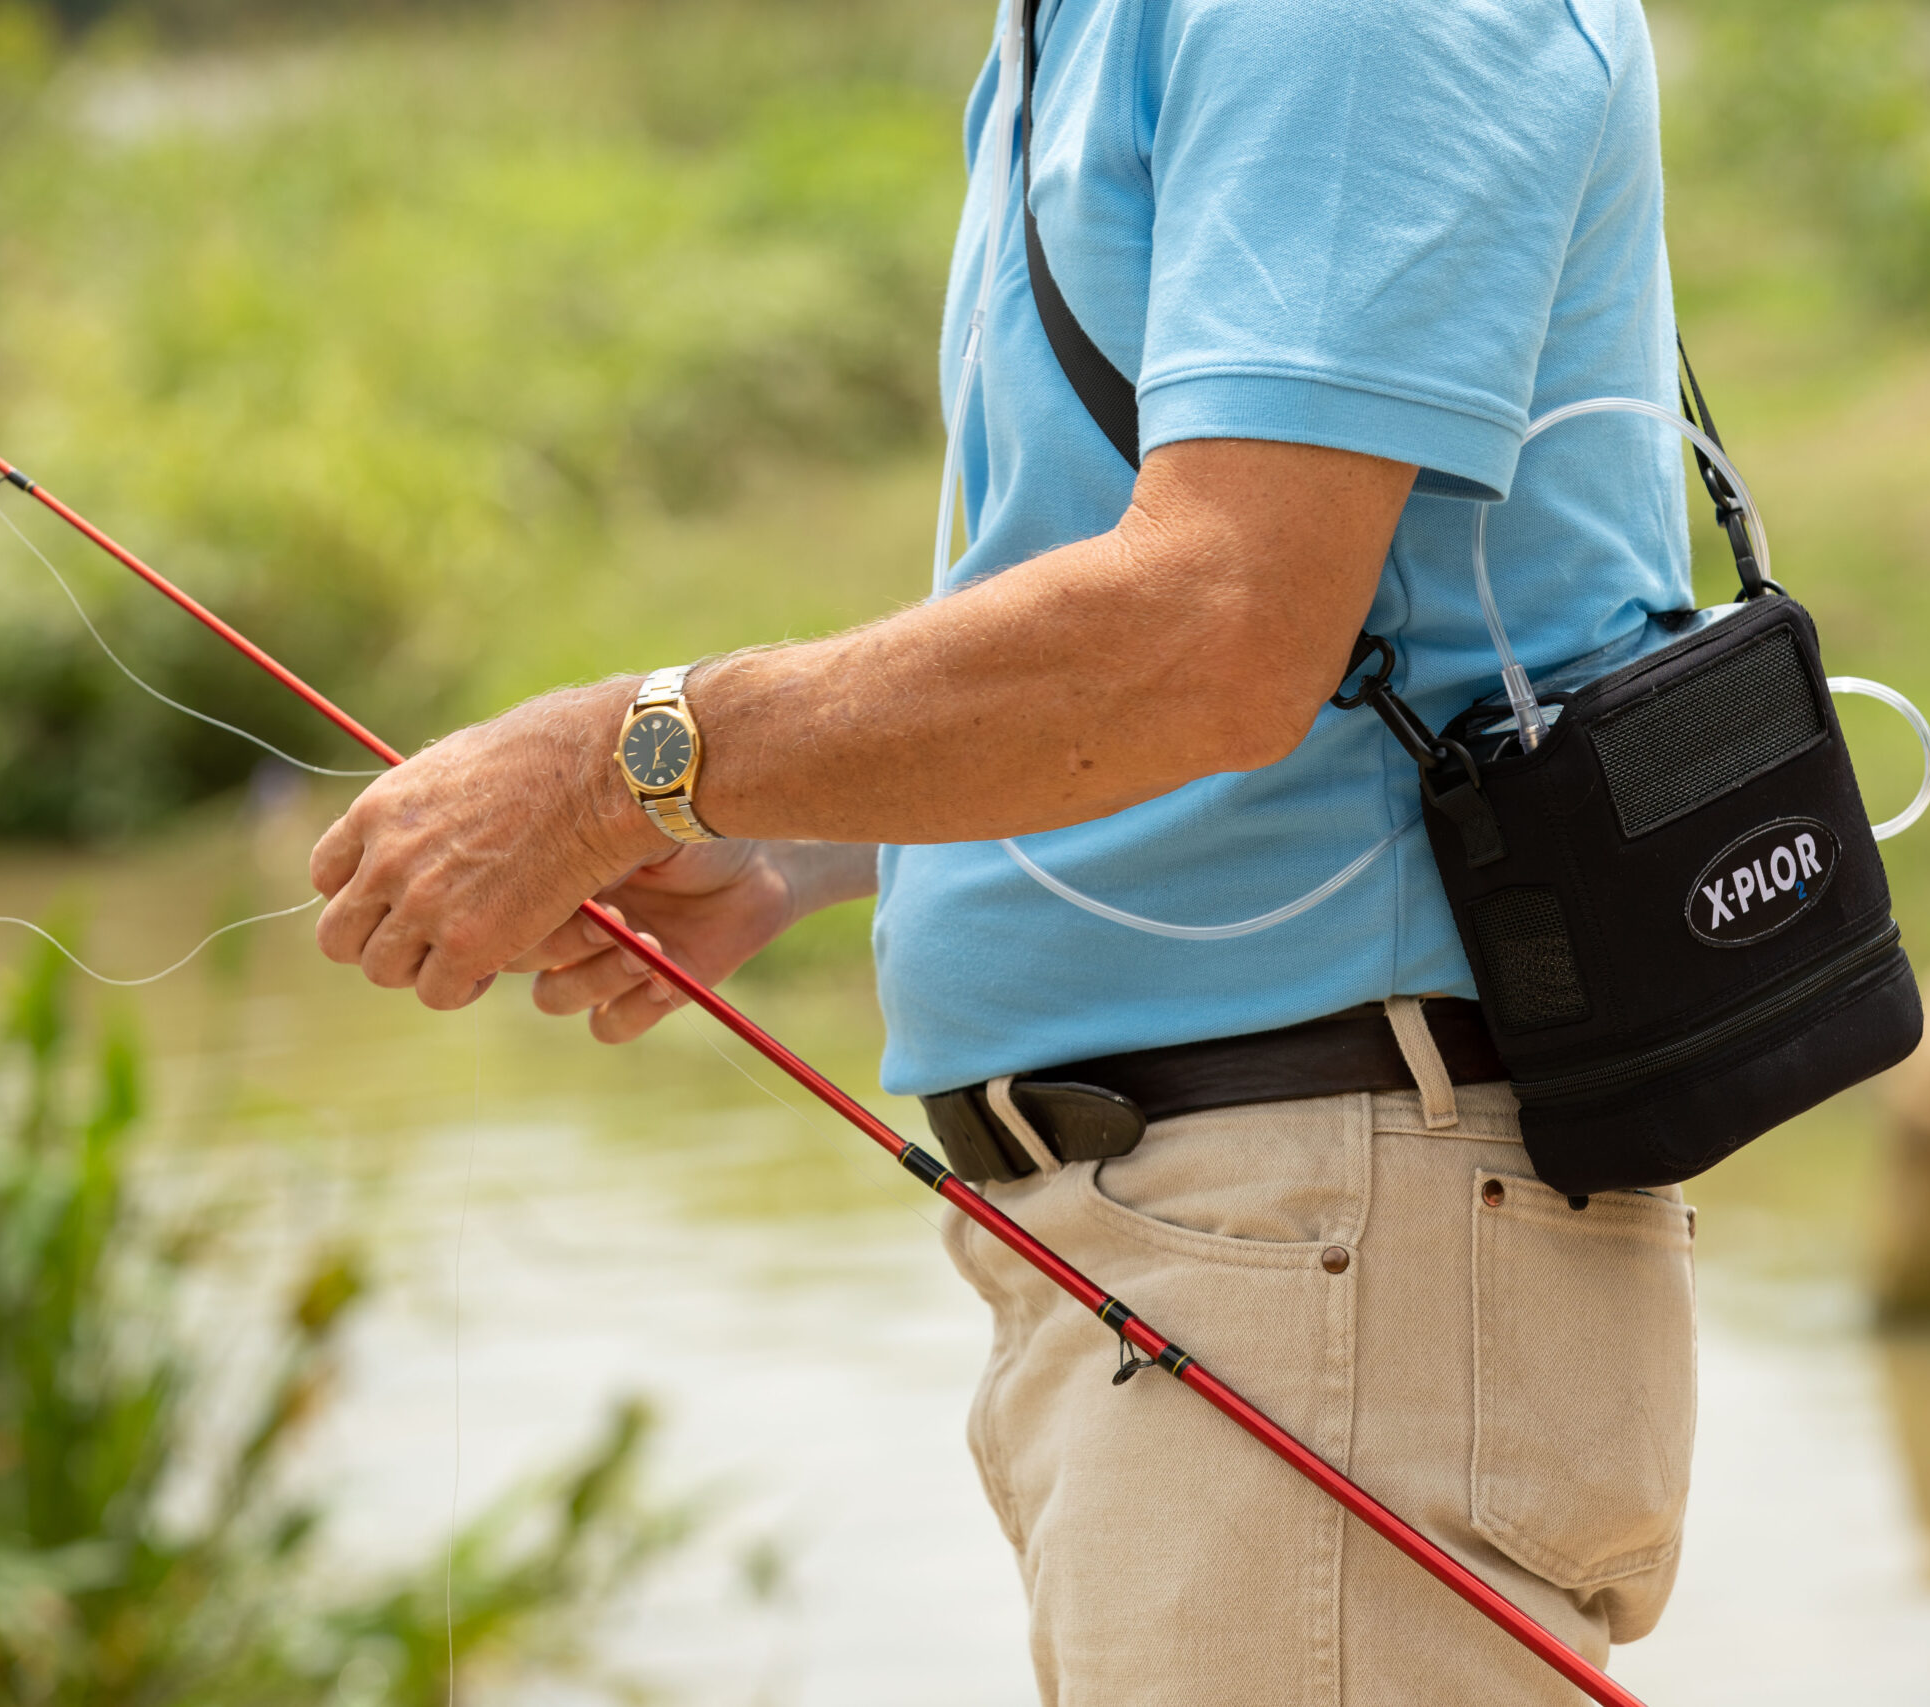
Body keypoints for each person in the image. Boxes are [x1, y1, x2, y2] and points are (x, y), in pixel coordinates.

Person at [310, 0, 1701, 1698]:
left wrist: (631, 765)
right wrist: (796, 847)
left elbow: (1217, 627)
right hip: (1230, 1243)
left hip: (1322, 1228)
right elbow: (1180, 632)